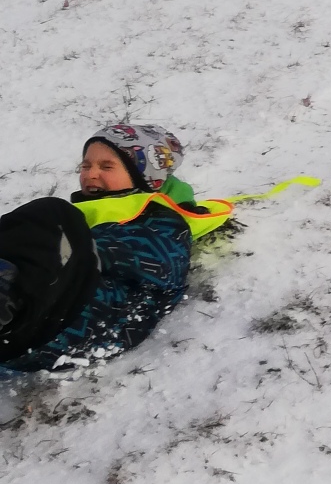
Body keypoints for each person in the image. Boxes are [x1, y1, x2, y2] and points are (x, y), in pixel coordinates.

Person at [0, 124, 213, 373]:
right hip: (33, 332)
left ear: (144, 177)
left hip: (82, 324)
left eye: (106, 166)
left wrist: (74, 246)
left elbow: (159, 265)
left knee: (50, 213)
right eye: (86, 165)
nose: (90, 174)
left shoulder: (160, 220)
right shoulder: (93, 219)